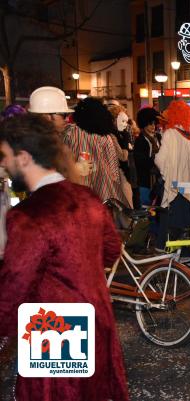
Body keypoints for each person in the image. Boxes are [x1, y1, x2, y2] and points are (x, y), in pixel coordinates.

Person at [0, 114, 129, 401]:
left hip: (53, 326)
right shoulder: (87, 197)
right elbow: (111, 249)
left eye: (5, 156)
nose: (3, 164)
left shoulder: (29, 215)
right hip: (96, 319)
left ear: (23, 157)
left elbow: (15, 284)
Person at [154, 100, 190, 253]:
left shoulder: (170, 134)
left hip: (176, 188)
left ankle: (174, 255)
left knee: (175, 225)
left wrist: (169, 172)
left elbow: (160, 160)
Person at [63, 97, 130, 205]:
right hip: (102, 192)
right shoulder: (106, 137)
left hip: (75, 189)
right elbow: (114, 169)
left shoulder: (70, 132)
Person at [134, 107, 161, 206]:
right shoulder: (140, 140)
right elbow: (140, 161)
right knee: (146, 208)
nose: (153, 126)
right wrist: (155, 159)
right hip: (145, 181)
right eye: (150, 123)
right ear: (144, 124)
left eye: (154, 123)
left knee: (157, 209)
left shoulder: (158, 137)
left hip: (158, 180)